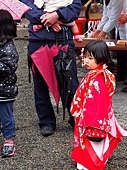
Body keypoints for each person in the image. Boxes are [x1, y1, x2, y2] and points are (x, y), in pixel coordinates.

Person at [21, 0, 82, 136]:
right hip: (38, 39)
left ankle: (76, 117)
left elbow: (76, 7)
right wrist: (48, 18)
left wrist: (57, 14)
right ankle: (46, 121)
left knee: (70, 81)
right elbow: (26, 5)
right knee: (40, 84)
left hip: (63, 38)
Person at [70, 40, 127, 170]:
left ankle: (88, 165)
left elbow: (95, 104)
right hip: (95, 117)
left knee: (91, 146)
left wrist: (92, 123)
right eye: (85, 57)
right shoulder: (99, 74)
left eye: (90, 58)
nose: (86, 60)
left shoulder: (98, 79)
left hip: (93, 120)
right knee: (93, 145)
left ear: (101, 59)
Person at [0, 9, 19, 157]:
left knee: (6, 116)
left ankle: (8, 140)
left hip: (4, 90)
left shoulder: (8, 47)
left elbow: (8, 67)